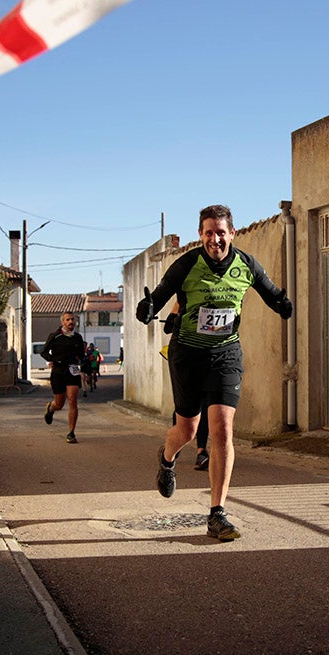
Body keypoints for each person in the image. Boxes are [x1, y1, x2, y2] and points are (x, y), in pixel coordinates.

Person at [137, 204, 293, 541]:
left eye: (220, 232)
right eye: (208, 232)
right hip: (188, 355)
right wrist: (149, 308)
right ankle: (167, 458)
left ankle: (217, 513)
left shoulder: (246, 265)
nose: (215, 239)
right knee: (188, 431)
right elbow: (161, 295)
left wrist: (282, 303)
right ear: (200, 235)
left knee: (222, 429)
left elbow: (269, 291)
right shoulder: (187, 264)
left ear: (231, 233)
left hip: (225, 353)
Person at [163, 303, 209, 470]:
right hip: (185, 358)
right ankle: (177, 443)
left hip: (210, 357)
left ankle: (201, 452)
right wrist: (175, 314)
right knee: (183, 408)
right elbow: (168, 328)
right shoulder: (183, 299)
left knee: (205, 407)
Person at [40, 311, 85, 444]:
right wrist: (52, 360)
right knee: (59, 403)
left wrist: (81, 363)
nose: (71, 322)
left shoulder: (78, 337)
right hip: (59, 371)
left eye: (72, 320)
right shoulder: (55, 336)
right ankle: (51, 408)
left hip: (73, 371)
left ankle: (71, 433)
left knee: (72, 400)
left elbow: (81, 355)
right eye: (68, 320)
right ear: (62, 322)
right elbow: (43, 351)